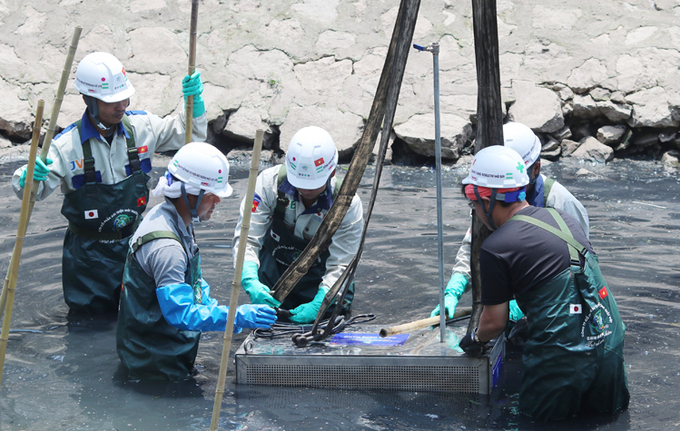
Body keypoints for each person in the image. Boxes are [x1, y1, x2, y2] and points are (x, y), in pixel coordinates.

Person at [11, 51, 208, 315]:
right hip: (88, 259)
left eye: (124, 97)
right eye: (111, 101)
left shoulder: (143, 127)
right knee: (89, 328)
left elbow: (191, 136)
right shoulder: (65, 147)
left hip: (136, 246)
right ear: (88, 100)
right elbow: (31, 195)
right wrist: (27, 177)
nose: (121, 105)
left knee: (141, 317)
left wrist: (194, 107)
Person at [457, 145, 629, 421]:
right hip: (609, 343)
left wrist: (474, 339)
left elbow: (494, 322)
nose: (474, 210)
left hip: (561, 361)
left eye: (473, 202)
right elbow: (573, 286)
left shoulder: (496, 246)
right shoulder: (564, 219)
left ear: (486, 199)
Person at [116, 142, 277, 381]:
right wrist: (235, 316)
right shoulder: (167, 247)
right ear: (190, 194)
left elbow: (193, 285)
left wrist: (214, 309)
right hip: (155, 363)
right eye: (212, 195)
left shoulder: (173, 218)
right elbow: (180, 314)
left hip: (165, 351)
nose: (218, 202)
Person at [431, 122, 590, 322]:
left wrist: (524, 304)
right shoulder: (489, 199)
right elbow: (474, 245)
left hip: (558, 308)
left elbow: (578, 270)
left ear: (536, 169)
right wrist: (454, 288)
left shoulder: (560, 203)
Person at [232, 126, 364, 324]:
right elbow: (247, 239)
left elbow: (342, 263)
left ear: (332, 172)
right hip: (274, 276)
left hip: (321, 279)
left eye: (312, 185)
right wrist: (249, 279)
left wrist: (321, 302)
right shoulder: (268, 184)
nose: (305, 189)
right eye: (299, 183)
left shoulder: (348, 204)